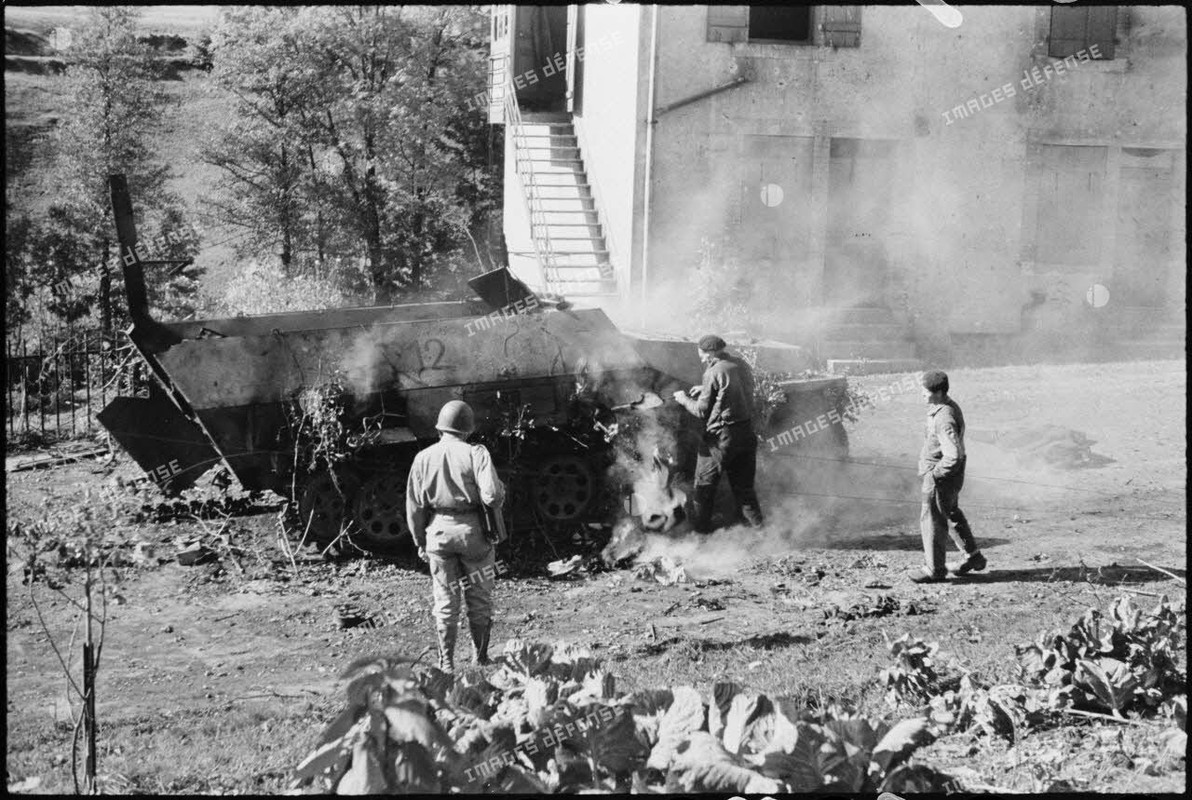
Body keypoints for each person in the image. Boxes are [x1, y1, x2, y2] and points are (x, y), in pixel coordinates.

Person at [406, 400, 505, 673]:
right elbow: (492, 496)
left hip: (437, 534)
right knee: (479, 597)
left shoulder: (422, 458)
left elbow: (414, 506)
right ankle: (480, 657)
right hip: (474, 534)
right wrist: (500, 492)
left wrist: (419, 541)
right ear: (467, 429)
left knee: (445, 600)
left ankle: (446, 662)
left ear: (441, 428)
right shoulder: (476, 454)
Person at [672, 334, 764, 533]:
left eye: (703, 355)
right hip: (746, 434)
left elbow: (701, 411)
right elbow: (732, 389)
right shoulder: (740, 364)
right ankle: (761, 532)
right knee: (744, 489)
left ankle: (701, 534)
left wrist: (683, 399)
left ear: (711, 352)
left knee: (703, 486)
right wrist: (706, 388)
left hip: (721, 438)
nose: (702, 359)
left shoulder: (713, 371)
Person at [914, 370, 986, 583]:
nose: (922, 395)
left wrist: (935, 474)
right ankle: (973, 557)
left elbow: (954, 454)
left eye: (925, 391)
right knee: (951, 513)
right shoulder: (947, 407)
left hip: (941, 476)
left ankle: (934, 570)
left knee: (933, 520)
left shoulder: (944, 418)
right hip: (952, 476)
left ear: (937, 392)